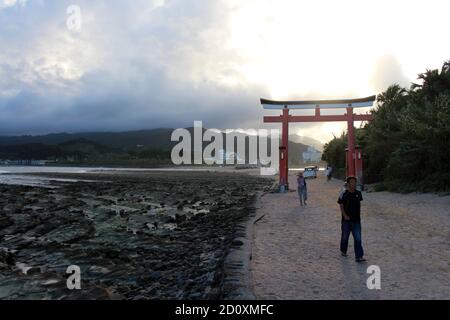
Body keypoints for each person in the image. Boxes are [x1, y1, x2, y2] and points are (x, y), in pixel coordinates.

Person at [337, 176, 366, 263]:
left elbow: (359, 205)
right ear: (348, 183)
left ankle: (359, 256)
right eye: (352, 182)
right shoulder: (343, 194)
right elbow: (341, 205)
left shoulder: (358, 193)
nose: (354, 183)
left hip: (356, 220)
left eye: (355, 182)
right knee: (345, 237)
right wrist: (345, 215)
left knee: (358, 238)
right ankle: (343, 251)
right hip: (346, 220)